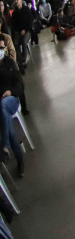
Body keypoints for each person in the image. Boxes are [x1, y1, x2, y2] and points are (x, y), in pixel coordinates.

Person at [0, 36, 25, 179]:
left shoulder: (10, 63)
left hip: (11, 99)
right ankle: (19, 158)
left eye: (1, 48)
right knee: (5, 118)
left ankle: (4, 146)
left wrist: (10, 92)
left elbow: (20, 87)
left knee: (3, 106)